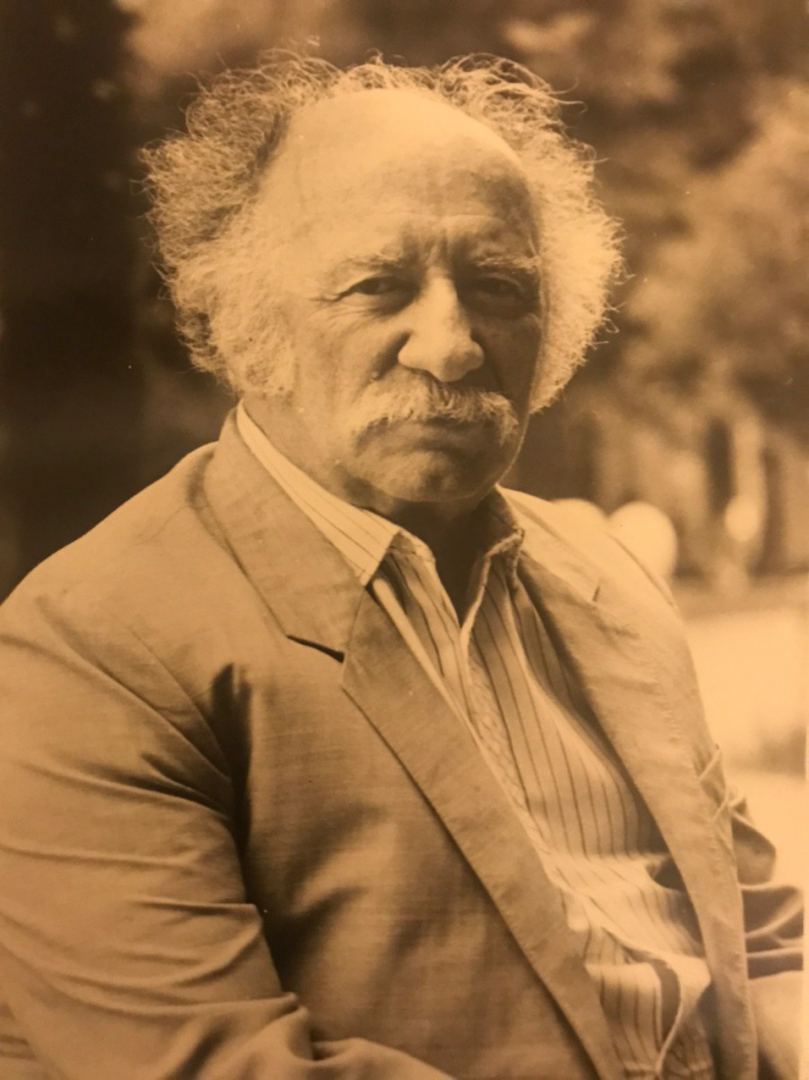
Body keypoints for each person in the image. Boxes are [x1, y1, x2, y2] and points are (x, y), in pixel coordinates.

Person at [0, 53, 801, 1080]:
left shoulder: (605, 576)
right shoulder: (88, 649)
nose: (452, 346)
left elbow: (760, 939)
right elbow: (219, 1066)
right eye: (377, 286)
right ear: (238, 321)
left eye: (497, 287)